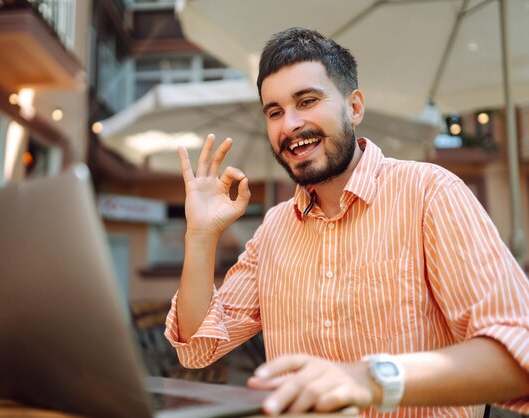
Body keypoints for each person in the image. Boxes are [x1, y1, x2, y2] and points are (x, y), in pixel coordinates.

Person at [164, 27, 529, 417]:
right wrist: (201, 236)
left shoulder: (430, 193)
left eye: (306, 101)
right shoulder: (272, 230)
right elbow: (199, 348)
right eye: (274, 112)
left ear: (354, 107)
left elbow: (518, 354)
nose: (288, 125)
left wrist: (369, 379)